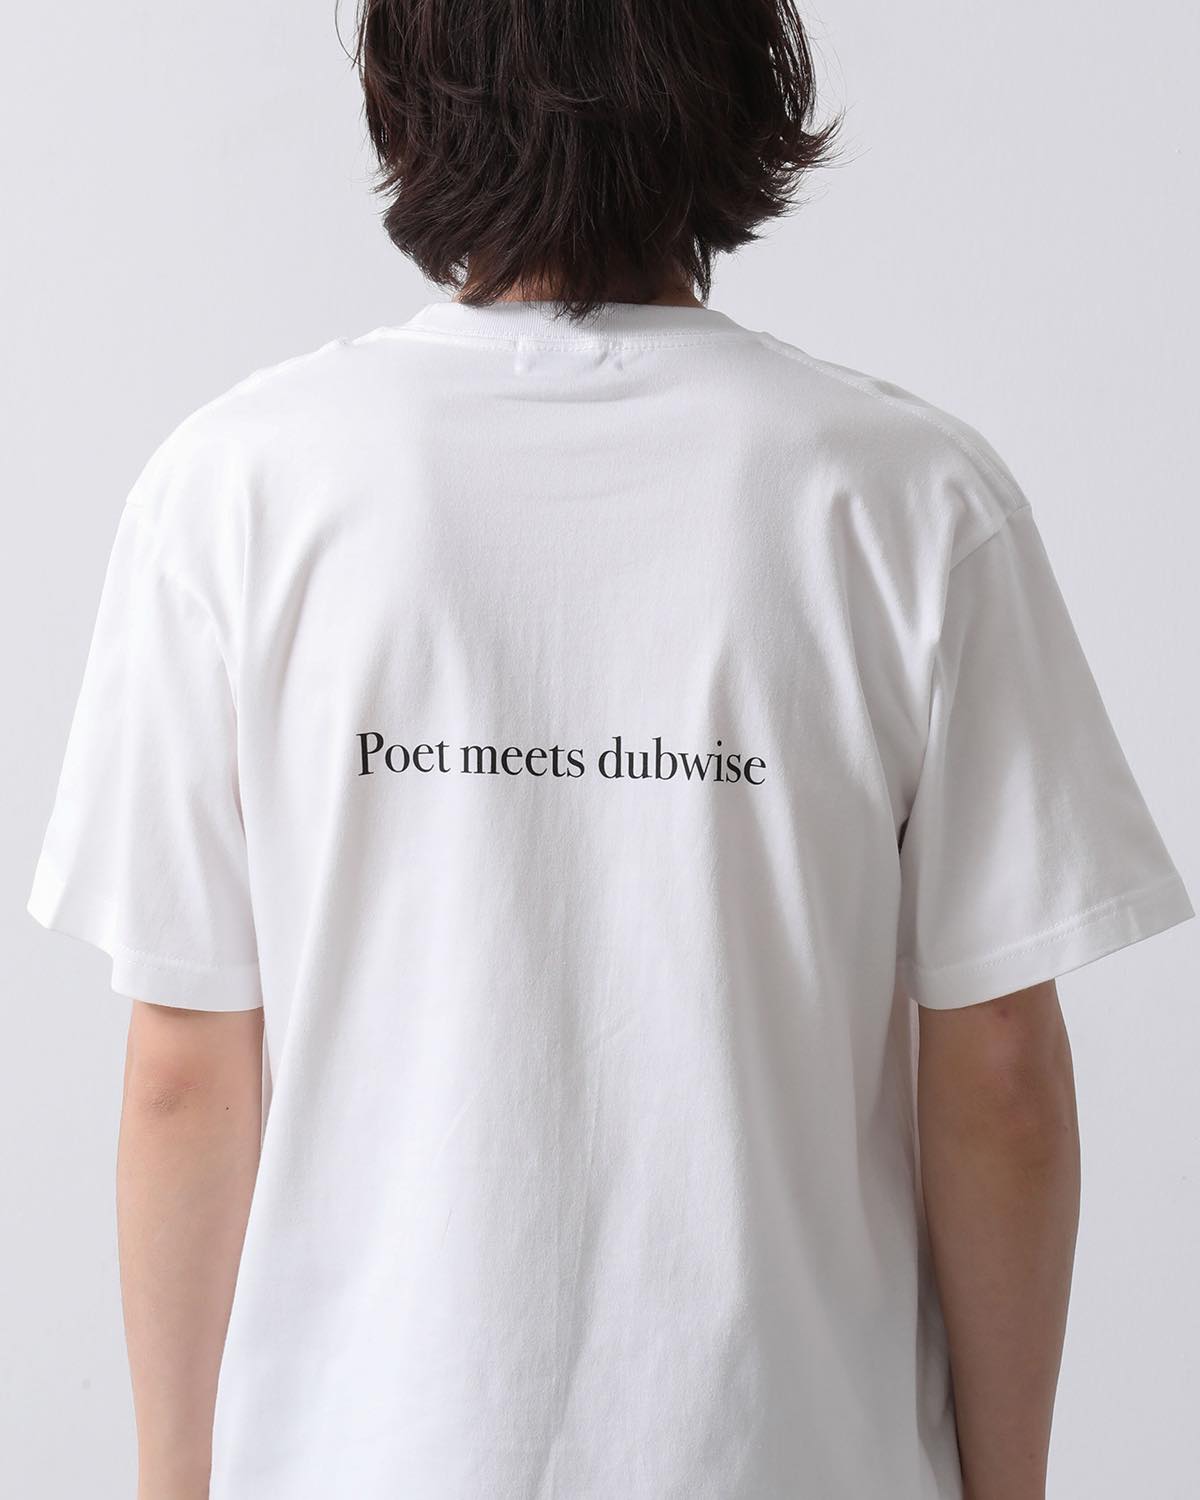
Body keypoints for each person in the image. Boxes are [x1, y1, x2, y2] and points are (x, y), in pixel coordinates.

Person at [27, 2, 1193, 1498]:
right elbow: (1004, 1068)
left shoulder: (236, 494)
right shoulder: (909, 502)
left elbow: (185, 1073)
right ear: (742, 84)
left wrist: (172, 1482)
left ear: (409, 92)